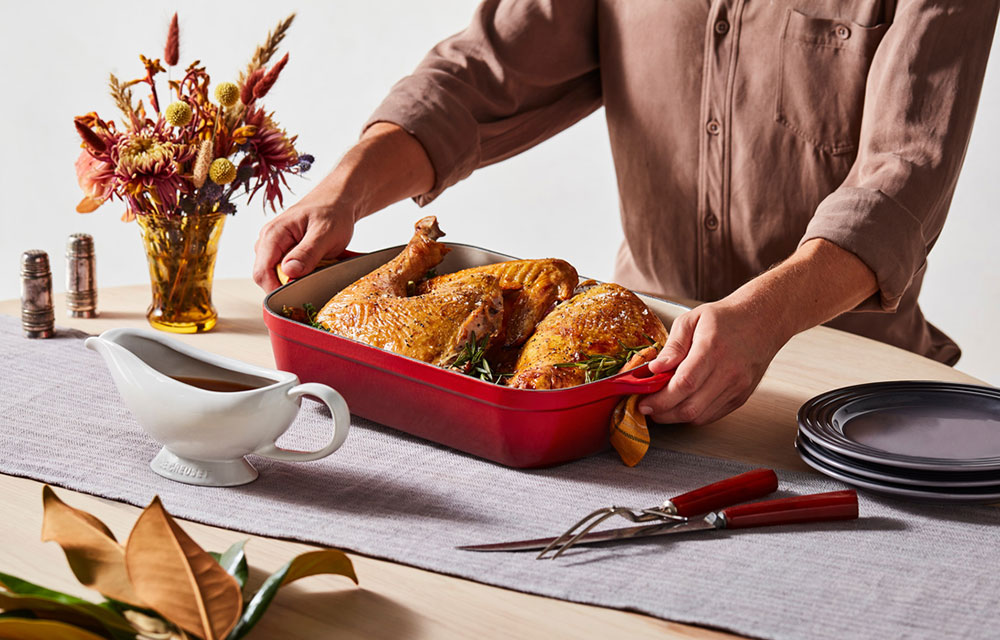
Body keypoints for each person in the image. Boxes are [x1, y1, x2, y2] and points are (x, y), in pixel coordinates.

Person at [253, 0, 998, 426]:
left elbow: (903, 179)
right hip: (625, 366)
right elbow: (482, 76)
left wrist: (765, 316)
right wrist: (341, 191)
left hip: (850, 395)